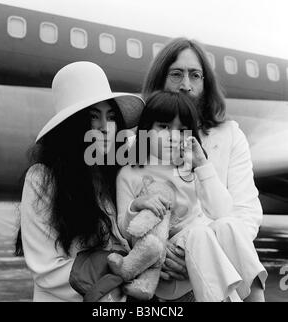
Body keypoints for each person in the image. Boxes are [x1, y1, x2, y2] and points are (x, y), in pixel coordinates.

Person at [141, 37, 267, 302]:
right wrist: (160, 254)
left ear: (205, 84)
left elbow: (245, 213)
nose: (186, 85)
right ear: (160, 81)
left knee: (228, 227)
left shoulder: (229, 135)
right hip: (163, 278)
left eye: (195, 75)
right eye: (176, 74)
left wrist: (202, 258)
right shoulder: (139, 142)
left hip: (219, 262)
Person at [113, 90, 267, 302]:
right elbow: (122, 228)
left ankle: (256, 297)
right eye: (164, 127)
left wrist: (203, 165)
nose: (173, 136)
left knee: (229, 225)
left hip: (207, 257)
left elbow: (221, 211)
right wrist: (136, 206)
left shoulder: (188, 168)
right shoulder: (130, 173)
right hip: (167, 267)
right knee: (199, 233)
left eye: (182, 130)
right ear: (146, 129)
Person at [15, 61, 144, 302]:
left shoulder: (122, 175)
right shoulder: (42, 179)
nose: (106, 128)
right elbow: (46, 270)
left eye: (112, 116)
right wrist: (120, 267)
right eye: (94, 117)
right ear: (73, 126)